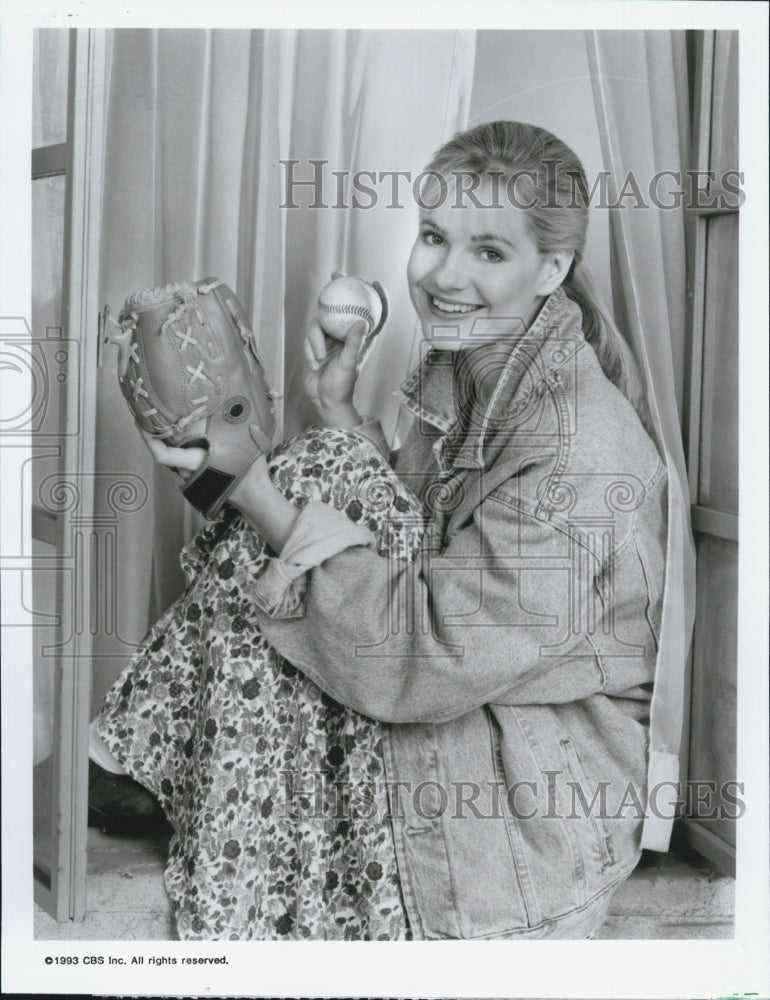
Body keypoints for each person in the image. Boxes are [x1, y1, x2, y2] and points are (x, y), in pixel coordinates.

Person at [92, 120, 667, 940]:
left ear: (554, 268)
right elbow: (410, 531)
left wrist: (252, 489)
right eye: (434, 236)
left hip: (519, 809)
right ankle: (151, 751)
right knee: (322, 460)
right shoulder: (471, 361)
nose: (443, 275)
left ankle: (142, 752)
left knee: (304, 481)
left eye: (489, 252)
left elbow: (425, 651)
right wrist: (335, 409)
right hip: (454, 691)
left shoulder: (580, 450)